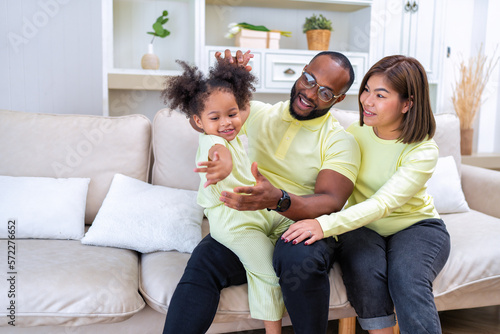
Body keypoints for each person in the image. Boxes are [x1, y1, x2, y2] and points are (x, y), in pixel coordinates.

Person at [162, 50, 361, 334]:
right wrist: (230, 77)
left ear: (339, 99)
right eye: (308, 79)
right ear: (302, 71)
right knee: (204, 260)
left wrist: (278, 200)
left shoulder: (341, 141)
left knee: (297, 258)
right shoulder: (255, 113)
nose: (310, 92)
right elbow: (214, 123)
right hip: (248, 221)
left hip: (298, 222)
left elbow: (330, 202)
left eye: (326, 92)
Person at [282, 55, 451, 334]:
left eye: (380, 95)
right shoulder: (356, 133)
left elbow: (383, 203)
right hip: (363, 227)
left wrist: (323, 225)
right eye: (366, 90)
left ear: (407, 103)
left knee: (407, 277)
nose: (366, 101)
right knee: (365, 269)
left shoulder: (423, 150)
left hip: (416, 226)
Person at [161, 59, 294, 333]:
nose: (226, 123)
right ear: (198, 122)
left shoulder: (233, 128)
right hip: (236, 226)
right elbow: (218, 154)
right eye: (215, 118)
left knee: (297, 223)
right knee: (267, 273)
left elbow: (242, 108)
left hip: (258, 214)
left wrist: (240, 76)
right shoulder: (213, 142)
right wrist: (224, 165)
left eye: (231, 114)